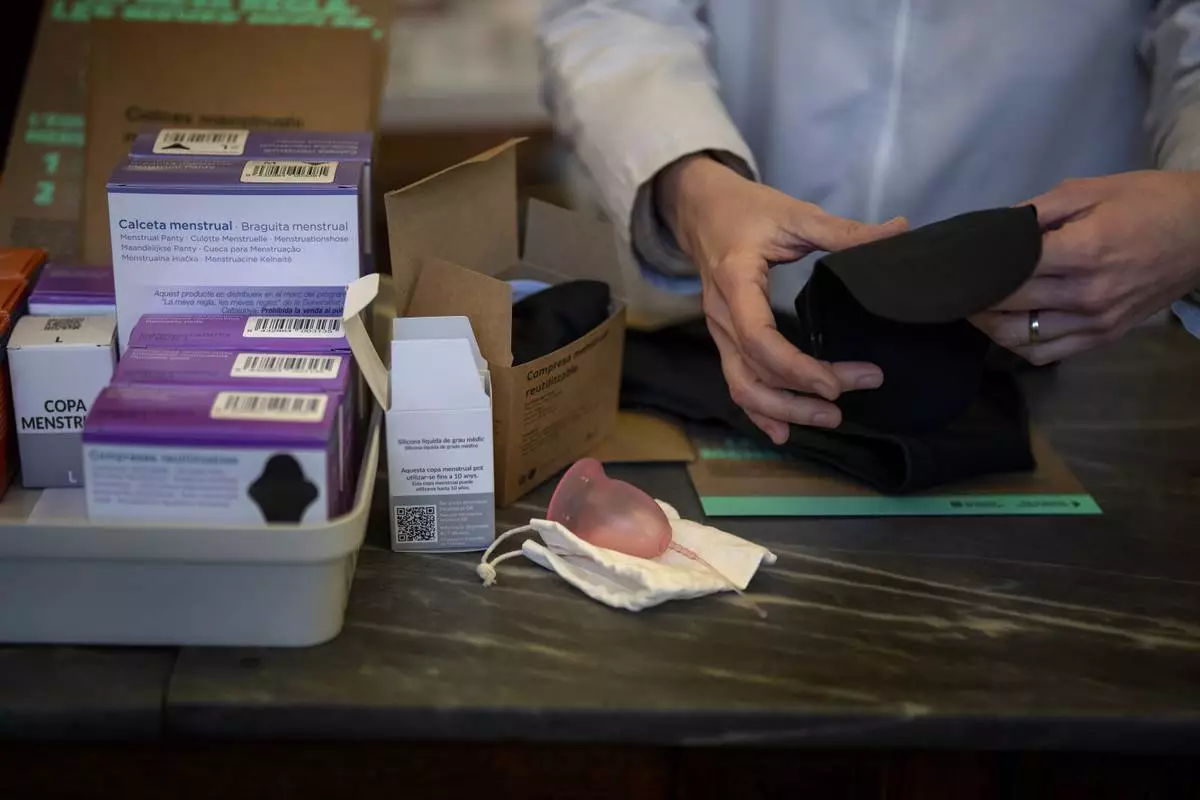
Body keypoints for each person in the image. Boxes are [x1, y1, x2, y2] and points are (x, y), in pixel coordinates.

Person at [538, 1, 1200, 443]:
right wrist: (693, 187)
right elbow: (613, 14)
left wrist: (1193, 211)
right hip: (746, 345)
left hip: (1089, 352)